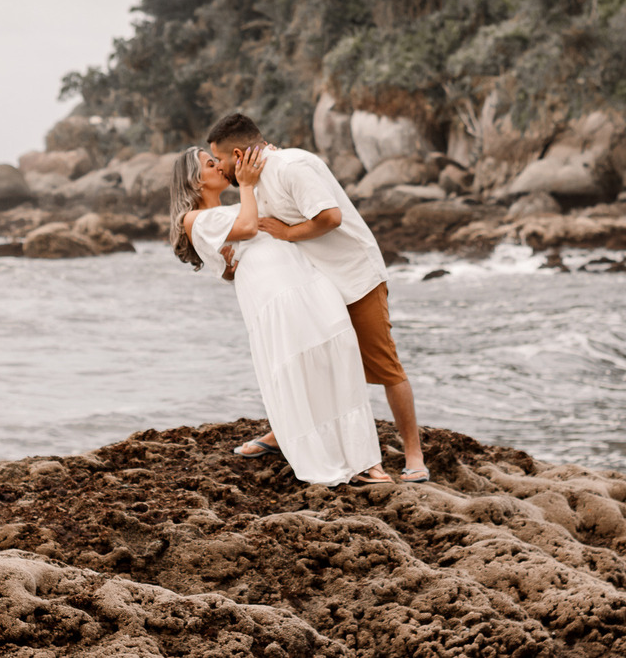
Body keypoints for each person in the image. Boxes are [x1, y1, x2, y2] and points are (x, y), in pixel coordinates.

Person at [207, 113, 430, 483]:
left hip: (355, 277)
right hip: (315, 285)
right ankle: (283, 433)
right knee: (313, 364)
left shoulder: (291, 167)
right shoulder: (253, 183)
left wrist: (289, 234)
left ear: (238, 154)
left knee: (384, 364)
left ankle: (414, 455)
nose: (219, 167)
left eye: (220, 159)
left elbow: (330, 217)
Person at [169, 144, 392, 487]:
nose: (219, 167)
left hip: (309, 279)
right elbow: (246, 229)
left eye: (216, 161)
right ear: (195, 180)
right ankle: (323, 456)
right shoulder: (194, 219)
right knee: (296, 367)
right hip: (272, 294)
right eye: (210, 164)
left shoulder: (238, 205)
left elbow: (269, 215)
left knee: (338, 358)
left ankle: (365, 459)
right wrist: (246, 185)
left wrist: (266, 156)